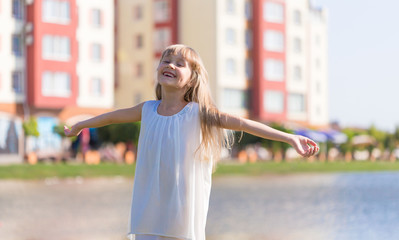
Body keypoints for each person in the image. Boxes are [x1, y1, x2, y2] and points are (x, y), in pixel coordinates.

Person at [64, 44, 319, 240]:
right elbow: (111, 117)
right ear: (158, 70)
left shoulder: (198, 112)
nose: (171, 65)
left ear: (192, 78)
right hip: (148, 210)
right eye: (167, 60)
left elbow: (243, 123)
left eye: (180, 63)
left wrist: (289, 137)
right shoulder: (147, 109)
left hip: (182, 215)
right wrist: (80, 125)